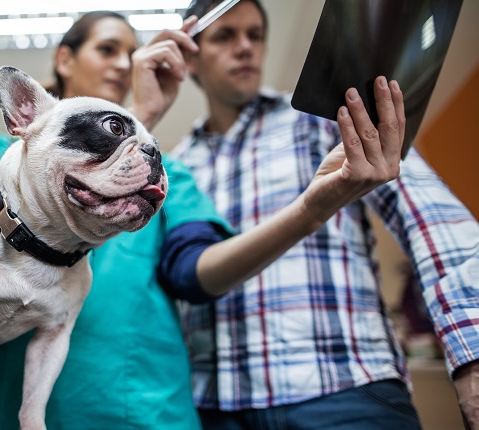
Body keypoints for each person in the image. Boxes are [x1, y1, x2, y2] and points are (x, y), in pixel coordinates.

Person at [0, 10, 405, 430]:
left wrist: (311, 208)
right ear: (65, 60)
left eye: (133, 51)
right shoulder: (3, 151)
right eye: (108, 49)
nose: (124, 64)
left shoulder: (170, 172)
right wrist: (136, 117)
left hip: (136, 410)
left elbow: (196, 273)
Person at [171, 1, 479, 429]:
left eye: (255, 35)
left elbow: (430, 216)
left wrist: (473, 354)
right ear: (192, 57)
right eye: (225, 36)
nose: (245, 47)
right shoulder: (175, 168)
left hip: (347, 393)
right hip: (219, 406)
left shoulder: (323, 118)